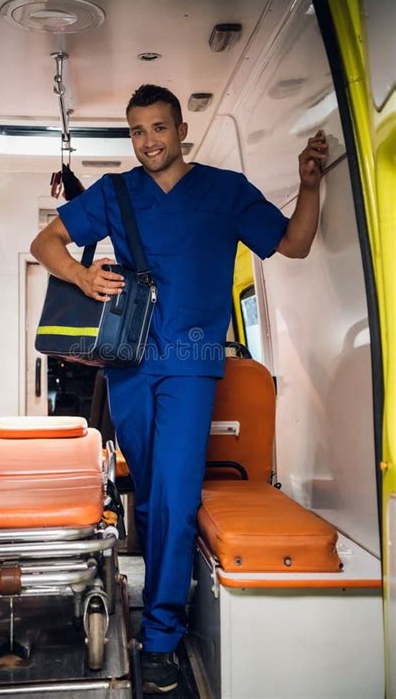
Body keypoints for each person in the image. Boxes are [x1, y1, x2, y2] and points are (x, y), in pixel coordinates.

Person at [31, 84, 328, 693]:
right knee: (148, 488)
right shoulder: (116, 192)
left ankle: (162, 632)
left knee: (173, 494)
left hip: (192, 364)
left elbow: (294, 244)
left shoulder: (226, 192)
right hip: (130, 364)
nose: (148, 143)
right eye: (137, 132)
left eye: (159, 129)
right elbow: (44, 244)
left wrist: (311, 185)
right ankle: (165, 585)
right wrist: (84, 276)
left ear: (181, 128)